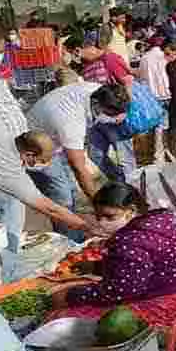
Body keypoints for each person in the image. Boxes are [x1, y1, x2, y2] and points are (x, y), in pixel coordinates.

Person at [50, 183, 176, 327]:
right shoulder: (162, 222)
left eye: (109, 217)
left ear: (131, 211)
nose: (101, 222)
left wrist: (73, 295)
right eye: (98, 217)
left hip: (167, 305)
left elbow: (122, 291)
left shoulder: (128, 241)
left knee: (63, 318)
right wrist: (97, 267)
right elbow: (143, 265)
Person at [26, 82, 130, 240]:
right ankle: (70, 242)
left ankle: (74, 227)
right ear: (96, 104)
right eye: (110, 114)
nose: (115, 120)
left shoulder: (99, 91)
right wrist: (100, 206)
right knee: (62, 195)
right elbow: (78, 167)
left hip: (57, 139)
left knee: (73, 192)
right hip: (37, 148)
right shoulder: (72, 121)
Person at [0, 122, 91, 258]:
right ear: (29, 154)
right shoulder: (9, 170)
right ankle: (5, 261)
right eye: (38, 161)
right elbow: (50, 209)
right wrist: (86, 226)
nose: (35, 166)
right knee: (8, 202)